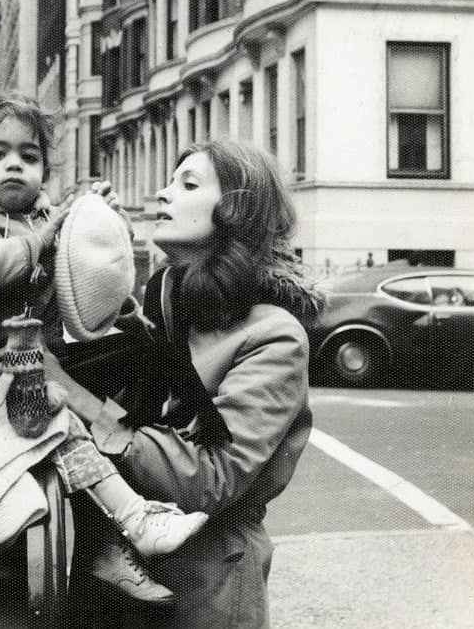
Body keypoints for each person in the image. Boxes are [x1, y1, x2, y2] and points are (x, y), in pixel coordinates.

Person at [0, 93, 207, 605]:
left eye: (28, 156)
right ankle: (134, 521)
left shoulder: (47, 219)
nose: (14, 165)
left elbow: (89, 288)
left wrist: (102, 225)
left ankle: (105, 542)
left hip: (38, 370)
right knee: (62, 423)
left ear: (44, 171)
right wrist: (44, 238)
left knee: (135, 368)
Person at [64, 140, 320, 628]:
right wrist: (95, 235)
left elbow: (211, 479)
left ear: (235, 210)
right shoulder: (170, 303)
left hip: (204, 582)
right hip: (115, 575)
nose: (163, 193)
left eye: (188, 184)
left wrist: (77, 399)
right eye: (169, 182)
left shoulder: (273, 335)